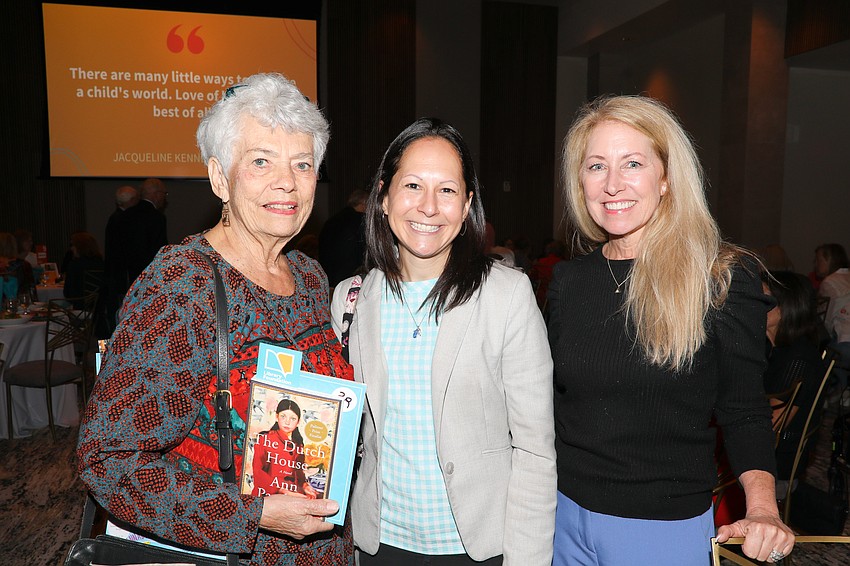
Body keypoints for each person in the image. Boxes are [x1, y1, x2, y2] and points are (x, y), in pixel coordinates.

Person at [77, 73, 353, 565]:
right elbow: (109, 461)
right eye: (261, 161)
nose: (286, 182)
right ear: (220, 178)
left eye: (303, 164)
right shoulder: (182, 286)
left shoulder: (311, 278)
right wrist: (255, 515)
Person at [549, 95, 794, 565]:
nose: (613, 184)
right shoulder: (569, 282)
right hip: (563, 519)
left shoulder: (719, 279)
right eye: (596, 166)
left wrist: (763, 507)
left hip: (657, 529)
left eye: (633, 163)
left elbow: (743, 408)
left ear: (665, 178)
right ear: (580, 182)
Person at [330, 118, 556, 566]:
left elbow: (534, 448)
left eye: (447, 190)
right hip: (382, 547)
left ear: (468, 203)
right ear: (384, 195)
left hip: (479, 548)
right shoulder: (350, 300)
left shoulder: (506, 295)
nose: (429, 207)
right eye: (412, 185)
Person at [761, 270, 826, 492]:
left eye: (764, 298)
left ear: (786, 307)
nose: (755, 303)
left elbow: (770, 426)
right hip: (765, 453)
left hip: (775, 466)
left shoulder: (798, 359)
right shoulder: (774, 348)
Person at [251, 399, 317, 499]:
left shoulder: (298, 443)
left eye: (293, 419)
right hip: (268, 496)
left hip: (293, 495)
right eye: (283, 416)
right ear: (277, 417)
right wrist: (282, 491)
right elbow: (258, 472)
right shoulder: (265, 438)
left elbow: (299, 474)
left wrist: (304, 486)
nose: (287, 422)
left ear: (298, 422)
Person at [103, 185, 140, 332]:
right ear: (131, 200)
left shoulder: (115, 217)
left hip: (115, 273)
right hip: (120, 275)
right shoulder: (123, 220)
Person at [318, 188, 367, 288]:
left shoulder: (332, 220)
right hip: (350, 278)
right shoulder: (361, 221)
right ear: (363, 203)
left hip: (327, 275)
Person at [124, 177, 168, 282]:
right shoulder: (157, 217)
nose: (164, 198)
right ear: (157, 194)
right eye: (164, 194)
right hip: (148, 275)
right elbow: (159, 250)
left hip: (127, 273)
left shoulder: (126, 214)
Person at [62, 231, 105, 309]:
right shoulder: (103, 264)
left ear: (79, 247)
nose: (71, 248)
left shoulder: (74, 265)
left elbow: (68, 295)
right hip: (100, 311)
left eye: (72, 245)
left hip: (80, 310)